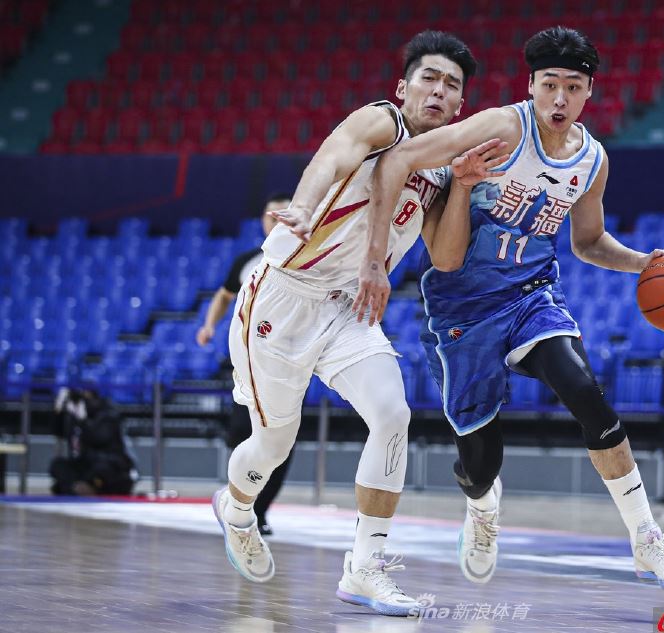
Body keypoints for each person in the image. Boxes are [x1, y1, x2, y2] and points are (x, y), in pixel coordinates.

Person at [360, 26, 664, 591]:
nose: (560, 99)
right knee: (481, 465)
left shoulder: (592, 160)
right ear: (531, 85)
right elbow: (399, 158)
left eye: (572, 86)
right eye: (550, 85)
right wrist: (376, 258)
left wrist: (648, 263)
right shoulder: (501, 127)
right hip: (462, 310)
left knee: (585, 391)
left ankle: (647, 541)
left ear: (589, 92)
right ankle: (482, 506)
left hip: (531, 296)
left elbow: (588, 242)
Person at [210, 31, 502, 617]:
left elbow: (446, 259)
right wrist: (301, 206)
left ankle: (365, 569)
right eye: (429, 78)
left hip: (349, 309)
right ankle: (237, 509)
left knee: (393, 414)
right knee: (273, 443)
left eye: (452, 85)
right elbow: (331, 156)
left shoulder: (444, 167)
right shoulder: (381, 121)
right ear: (404, 87)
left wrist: (465, 187)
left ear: (460, 105)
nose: (439, 91)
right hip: (284, 297)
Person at [196, 193, 291, 535]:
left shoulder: (309, 259)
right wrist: (209, 325)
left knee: (281, 440)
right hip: (249, 364)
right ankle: (241, 501)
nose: (275, 221)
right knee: (241, 432)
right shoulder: (247, 261)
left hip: (289, 365)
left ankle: (259, 513)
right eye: (270, 215)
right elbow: (223, 296)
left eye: (283, 214)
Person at [49, 388, 137, 496]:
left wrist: (83, 420)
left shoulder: (109, 415)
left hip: (110, 465)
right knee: (58, 465)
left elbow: (98, 438)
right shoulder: (73, 415)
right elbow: (58, 432)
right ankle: (76, 488)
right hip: (85, 463)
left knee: (101, 470)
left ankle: (88, 489)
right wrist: (58, 410)